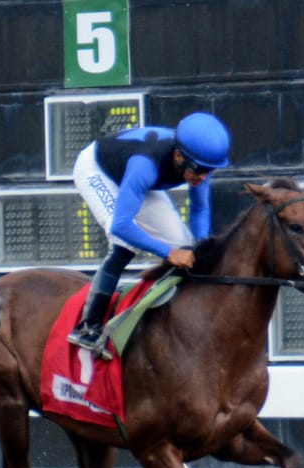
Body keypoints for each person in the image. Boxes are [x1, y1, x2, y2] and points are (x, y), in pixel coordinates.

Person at [67, 111, 231, 358]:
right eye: (198, 170)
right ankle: (88, 326)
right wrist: (167, 252)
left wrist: (200, 246)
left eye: (209, 171)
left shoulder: (199, 162)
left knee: (186, 245)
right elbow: (121, 225)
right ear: (178, 156)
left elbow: (199, 208)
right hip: (97, 170)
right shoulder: (146, 165)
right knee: (124, 242)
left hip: (133, 176)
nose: (202, 177)